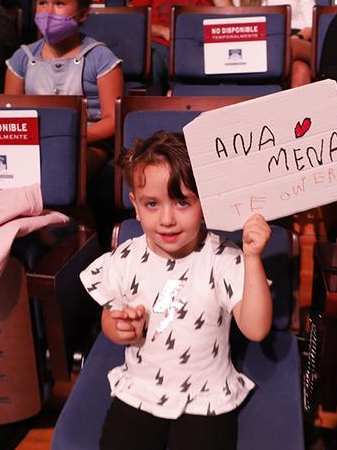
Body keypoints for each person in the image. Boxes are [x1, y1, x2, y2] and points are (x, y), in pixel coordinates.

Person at [83, 131, 272, 450]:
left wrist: (252, 258)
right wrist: (119, 328)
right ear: (136, 205)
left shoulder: (223, 259)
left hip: (206, 396)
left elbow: (255, 329)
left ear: (204, 203)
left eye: (182, 201)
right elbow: (109, 318)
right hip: (140, 389)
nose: (167, 219)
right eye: (152, 204)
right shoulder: (126, 258)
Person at [5, 0, 123, 170]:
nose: (48, 12)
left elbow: (112, 120)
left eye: (59, 3)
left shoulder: (100, 58)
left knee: (63, 167)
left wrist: (68, 137)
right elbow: (9, 114)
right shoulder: (21, 58)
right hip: (31, 144)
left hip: (87, 144)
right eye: (42, 3)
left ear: (82, 14)